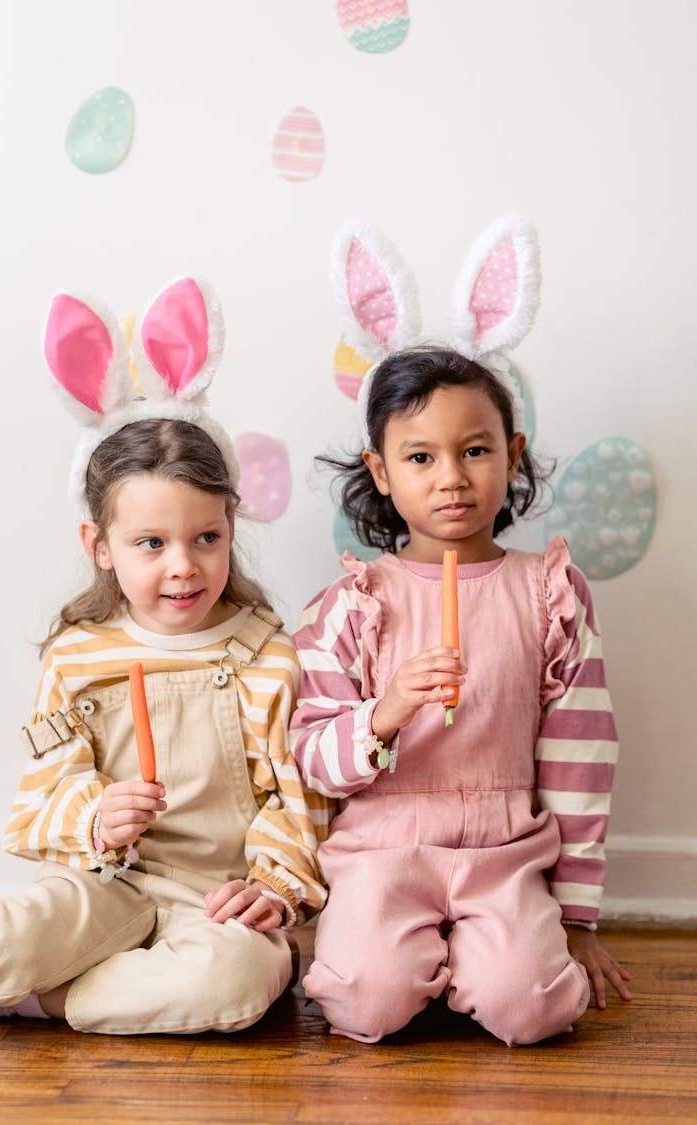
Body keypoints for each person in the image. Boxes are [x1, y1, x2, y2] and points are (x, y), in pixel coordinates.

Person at [0, 277, 327, 1035]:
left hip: (217, 902)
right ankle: (39, 966)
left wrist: (276, 887)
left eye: (205, 538)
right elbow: (40, 796)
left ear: (230, 526)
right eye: (151, 543)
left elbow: (302, 799)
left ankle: (55, 997)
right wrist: (95, 814)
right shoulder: (76, 658)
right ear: (100, 546)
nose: (182, 565)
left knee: (239, 975)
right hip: (105, 888)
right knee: (9, 928)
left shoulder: (269, 658)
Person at [290, 217, 632, 1046]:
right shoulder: (349, 603)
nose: (451, 478)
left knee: (533, 1007)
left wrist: (577, 917)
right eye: (419, 458)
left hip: (504, 850)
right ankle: (418, 963)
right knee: (362, 1004)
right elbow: (307, 754)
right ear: (378, 470)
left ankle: (484, 962)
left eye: (475, 450)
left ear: (511, 456)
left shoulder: (547, 593)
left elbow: (582, 760)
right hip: (381, 849)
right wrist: (382, 712)